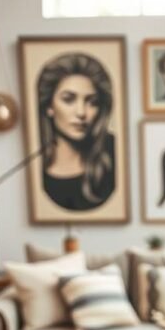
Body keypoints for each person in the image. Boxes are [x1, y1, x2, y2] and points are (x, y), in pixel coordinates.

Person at [37, 52, 115, 211]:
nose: (81, 113)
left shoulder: (114, 151)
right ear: (49, 106)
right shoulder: (34, 163)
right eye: (68, 99)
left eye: (92, 102)